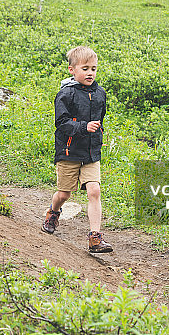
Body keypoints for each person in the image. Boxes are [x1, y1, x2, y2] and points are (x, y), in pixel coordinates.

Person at [43, 46, 113, 254]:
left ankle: (95, 238)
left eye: (93, 69)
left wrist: (98, 135)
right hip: (68, 151)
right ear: (72, 70)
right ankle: (53, 212)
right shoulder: (66, 94)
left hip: (91, 152)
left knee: (94, 190)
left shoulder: (100, 93)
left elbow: (100, 119)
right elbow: (61, 123)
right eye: (85, 69)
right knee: (64, 194)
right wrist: (84, 127)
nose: (90, 73)